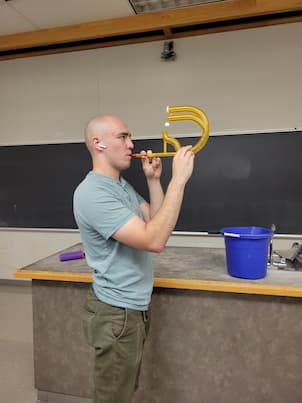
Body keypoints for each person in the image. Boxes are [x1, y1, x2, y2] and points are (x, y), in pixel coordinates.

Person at [73, 114, 195, 403]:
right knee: (113, 396)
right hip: (117, 312)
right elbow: (154, 241)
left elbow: (155, 222)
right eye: (123, 137)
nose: (132, 144)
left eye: (130, 137)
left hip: (133, 308)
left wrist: (155, 181)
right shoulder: (93, 193)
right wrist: (178, 181)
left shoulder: (120, 185)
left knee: (124, 390)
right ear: (98, 143)